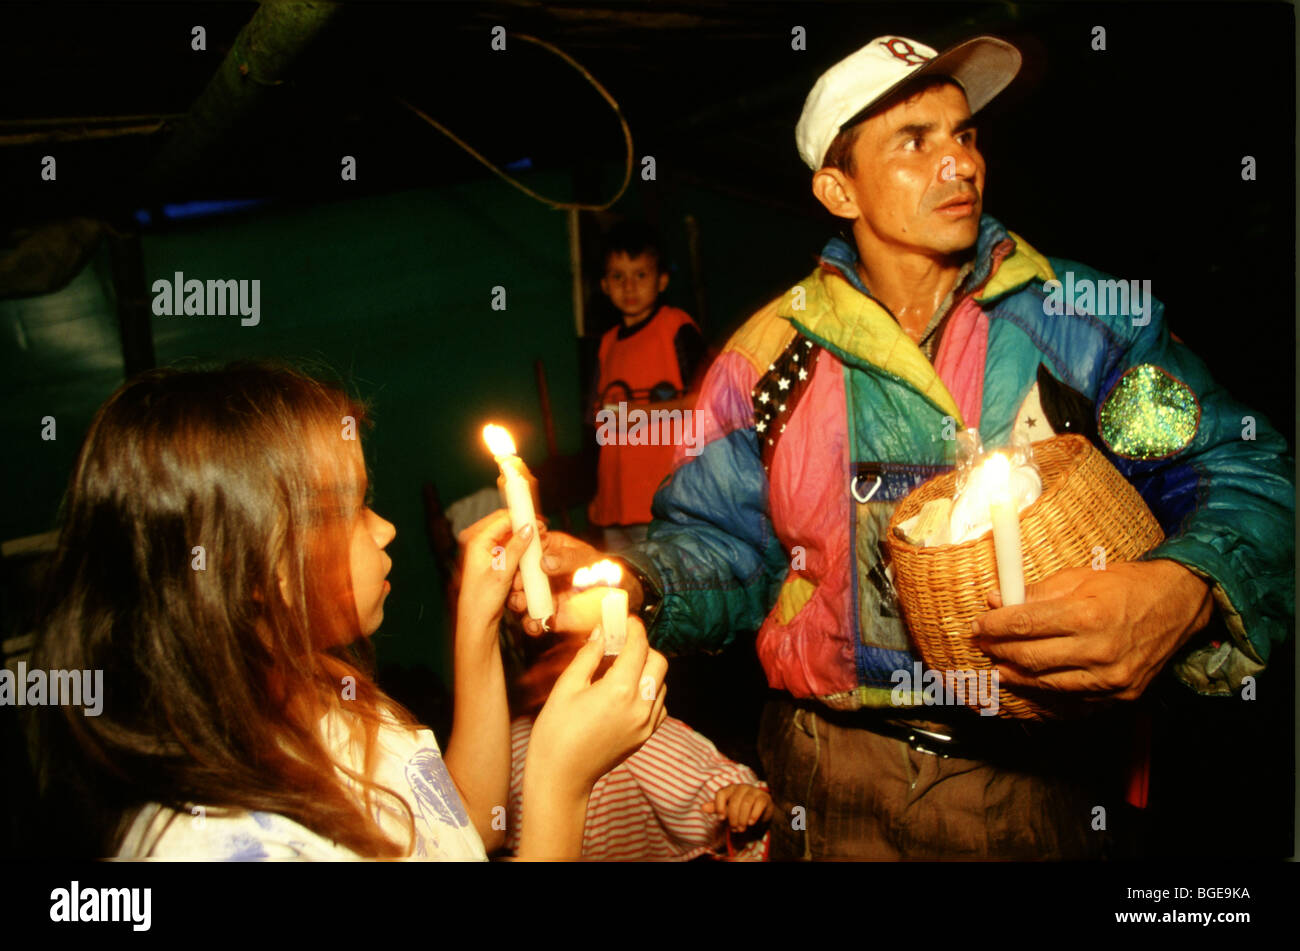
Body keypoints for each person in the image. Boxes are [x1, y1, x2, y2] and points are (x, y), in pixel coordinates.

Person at [513, 35, 1295, 859]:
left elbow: (1240, 469)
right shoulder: (769, 356)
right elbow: (725, 544)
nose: (958, 162)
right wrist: (636, 581)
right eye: (915, 141)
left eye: (965, 135)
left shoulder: (1081, 324)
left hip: (1039, 789)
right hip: (824, 780)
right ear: (838, 188)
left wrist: (1187, 589)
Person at [29, 362, 667, 860]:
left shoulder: (320, 695)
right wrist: (560, 784)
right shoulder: (214, 846)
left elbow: (462, 827)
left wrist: (473, 622)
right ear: (251, 568)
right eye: (352, 509)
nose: (386, 529)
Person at [504, 633, 772, 860]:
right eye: (549, 660)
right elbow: (489, 829)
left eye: (572, 657)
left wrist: (741, 798)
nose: (558, 671)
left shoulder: (646, 730)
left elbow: (710, 790)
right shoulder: (514, 741)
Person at [588, 221, 706, 550]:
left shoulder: (675, 326)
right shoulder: (607, 344)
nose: (629, 286)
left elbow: (704, 402)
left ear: (662, 280)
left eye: (640, 274)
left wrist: (640, 413)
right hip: (613, 507)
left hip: (664, 503)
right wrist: (599, 496)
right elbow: (598, 424)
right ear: (605, 286)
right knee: (619, 596)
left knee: (666, 594)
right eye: (618, 276)